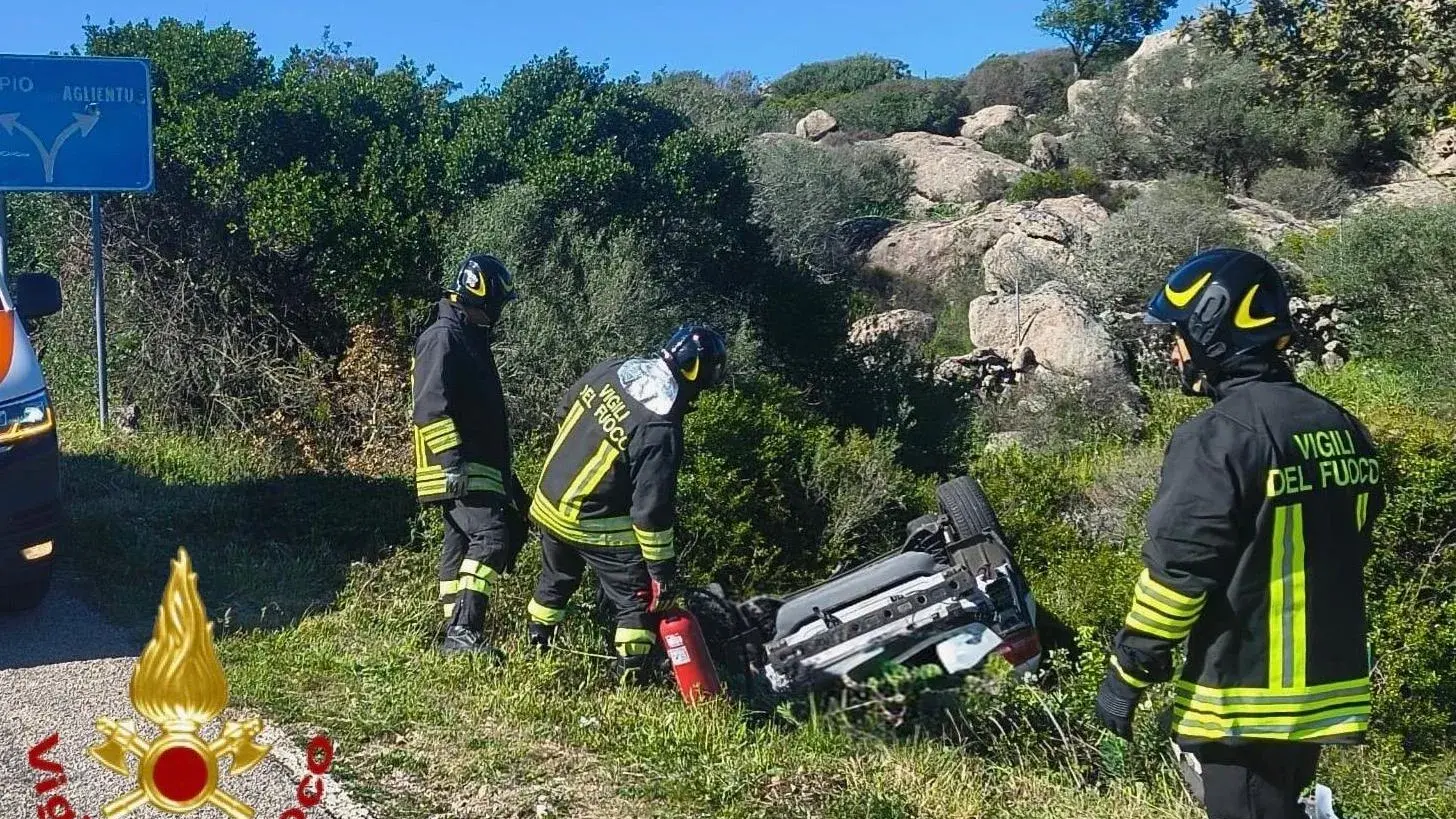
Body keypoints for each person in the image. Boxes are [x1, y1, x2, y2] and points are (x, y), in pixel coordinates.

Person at [1094, 248, 1385, 819]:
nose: (1175, 350)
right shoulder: (1339, 424)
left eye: (1180, 334)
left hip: (1243, 702)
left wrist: (1128, 672)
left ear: (1213, 332)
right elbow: (1356, 542)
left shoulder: (1220, 435)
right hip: (1323, 695)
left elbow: (1178, 576)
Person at [524, 324, 729, 680]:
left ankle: (535, 651)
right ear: (696, 375)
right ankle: (630, 682)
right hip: (586, 519)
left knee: (555, 581)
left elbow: (565, 408)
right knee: (637, 603)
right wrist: (661, 575)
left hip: (547, 500)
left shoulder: (614, 369)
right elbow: (650, 513)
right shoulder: (660, 428)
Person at [411, 253, 530, 656]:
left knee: (459, 545)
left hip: (479, 467)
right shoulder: (444, 336)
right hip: (461, 468)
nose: (498, 314)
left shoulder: (467, 337)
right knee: (492, 536)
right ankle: (463, 631)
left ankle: (452, 632)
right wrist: (452, 462)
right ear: (478, 297)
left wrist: (508, 480)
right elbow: (429, 406)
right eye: (495, 304)